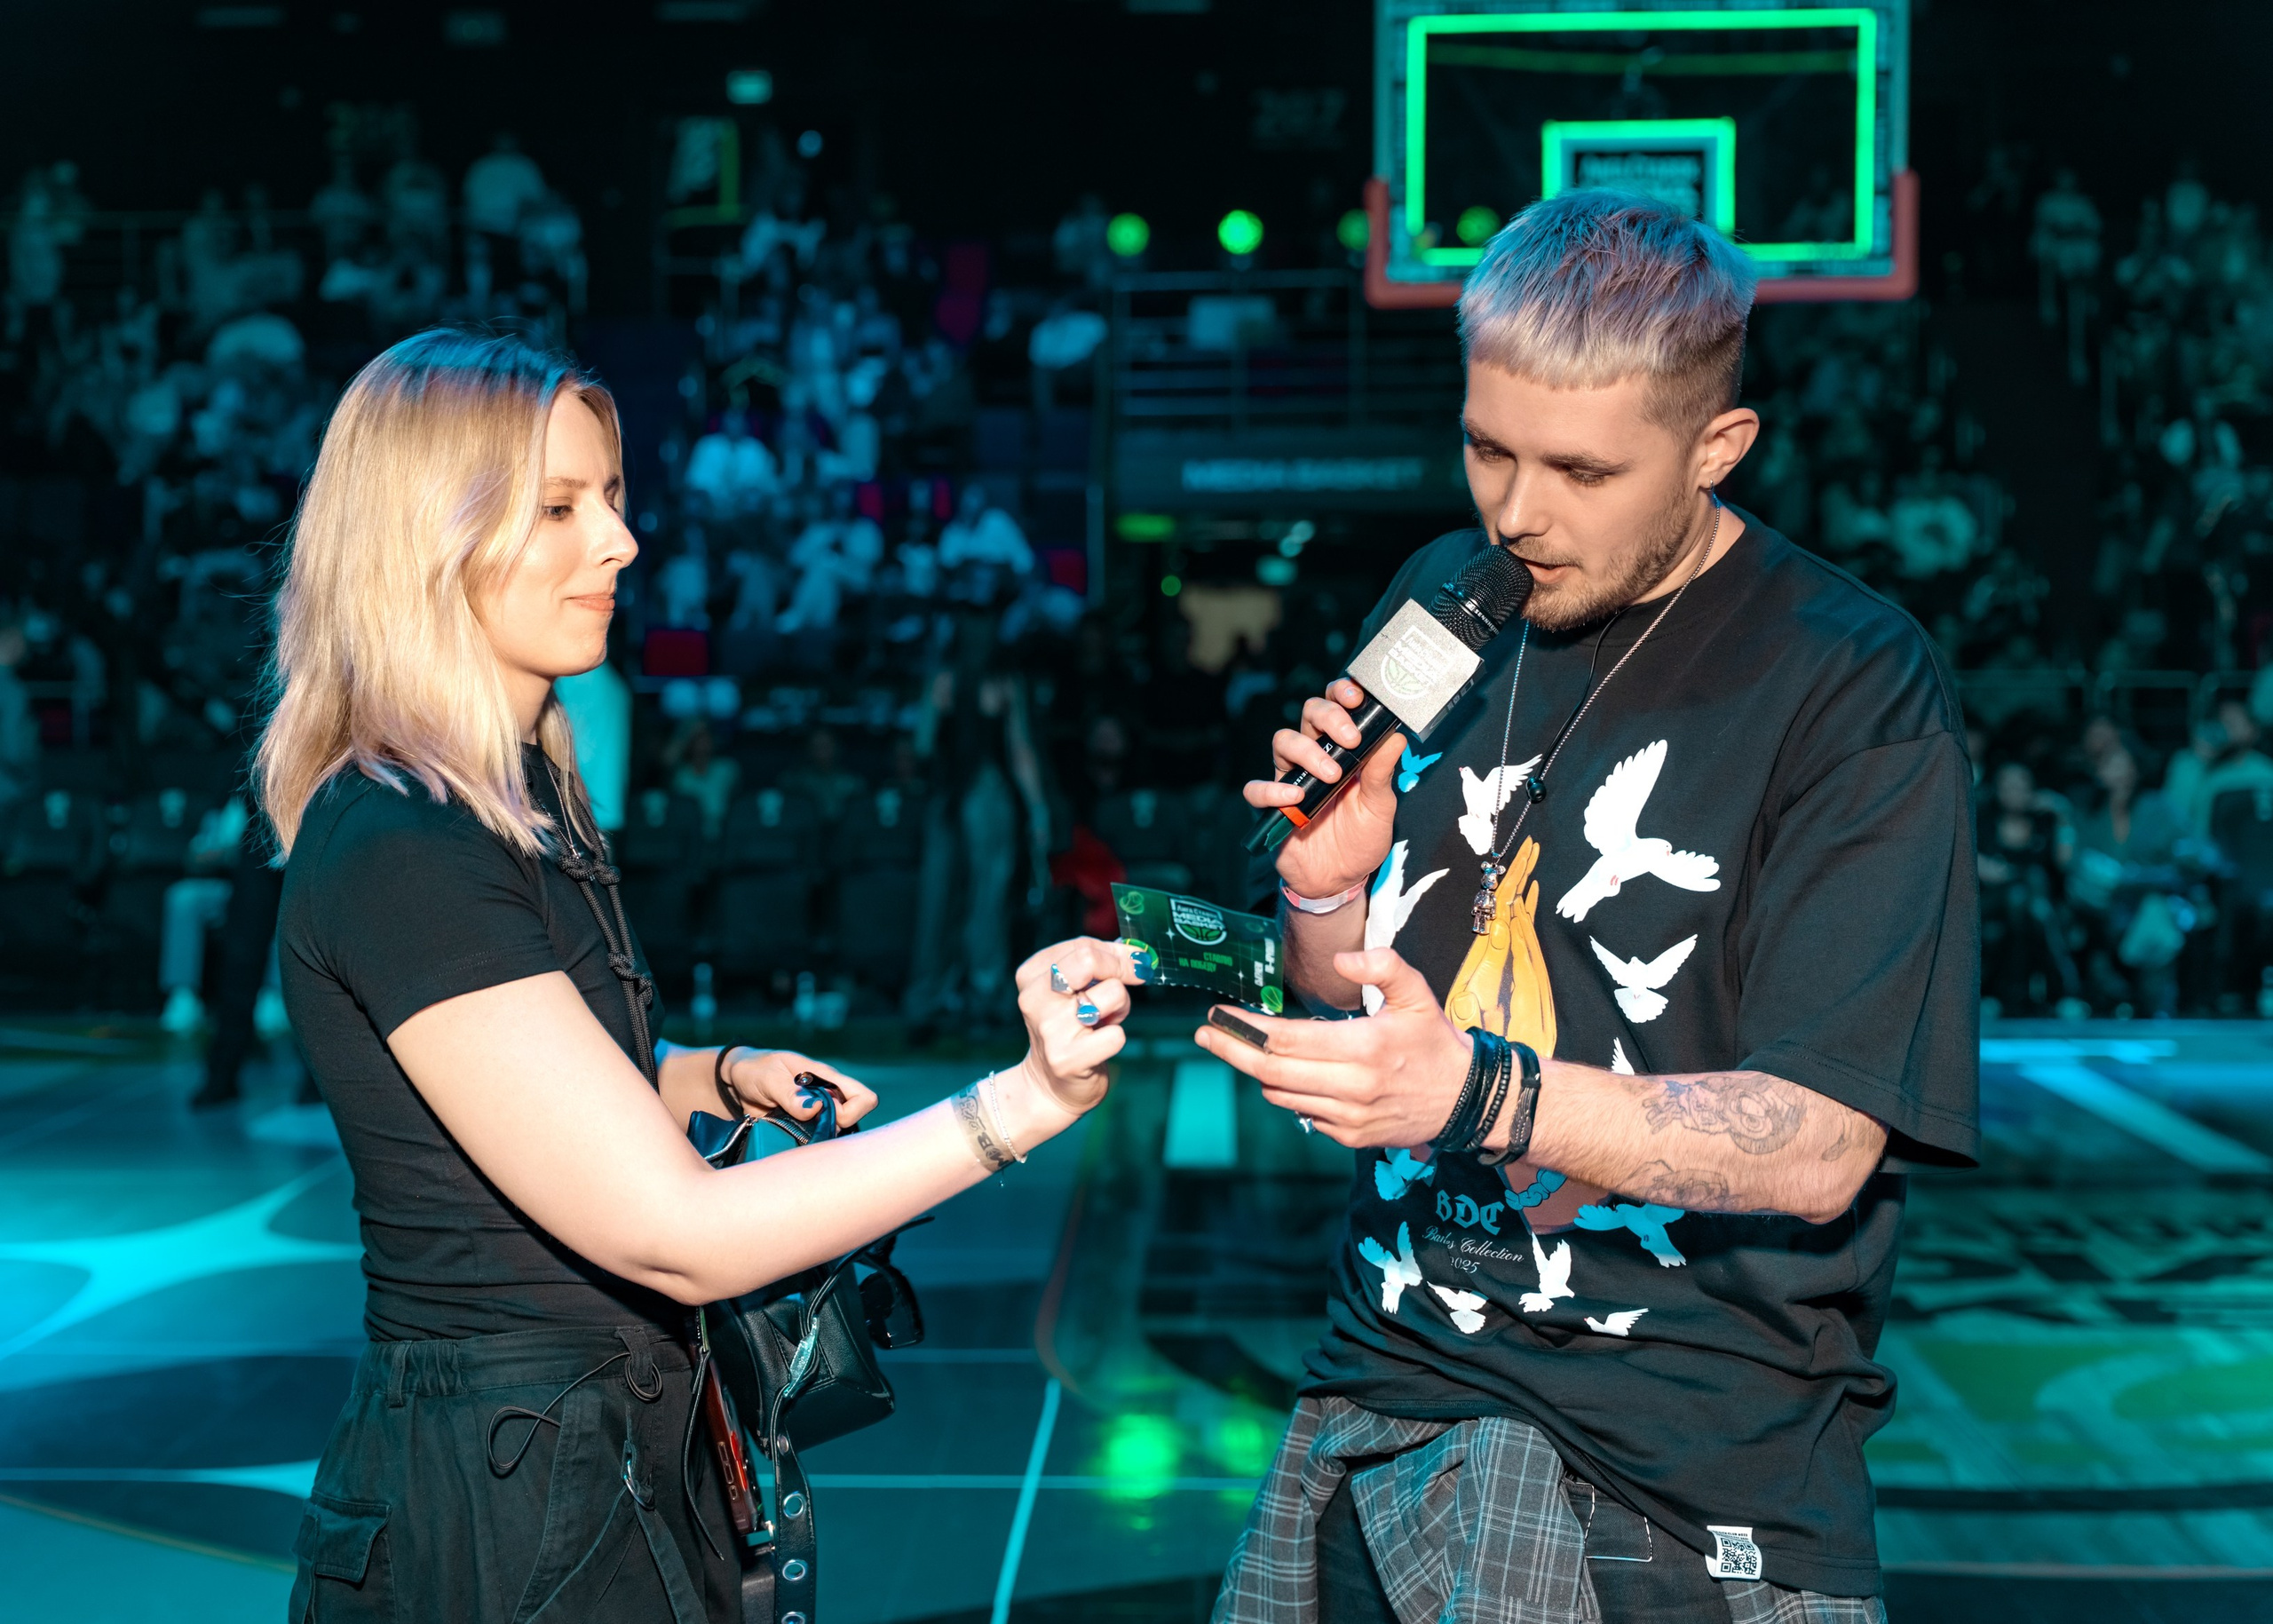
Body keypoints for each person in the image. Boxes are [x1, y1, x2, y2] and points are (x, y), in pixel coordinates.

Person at [261, 329, 1144, 1621]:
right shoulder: (404, 843)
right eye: (559, 508)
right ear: (428, 540)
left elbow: (527, 1077)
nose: (618, 541)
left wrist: (702, 1073)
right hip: (506, 1512)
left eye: (609, 499)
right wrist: (1008, 1110)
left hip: (595, 1455)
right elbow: (683, 1238)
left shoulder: (520, 794)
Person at [1203, 192, 1979, 1622]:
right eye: (1486, 447)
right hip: (1382, 1396)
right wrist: (1325, 885)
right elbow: (1352, 994)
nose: (1516, 511)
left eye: (1580, 468)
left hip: (1681, 1479)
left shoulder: (1853, 681)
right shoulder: (1443, 595)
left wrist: (1482, 1093)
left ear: (1715, 448)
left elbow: (1819, 1141)